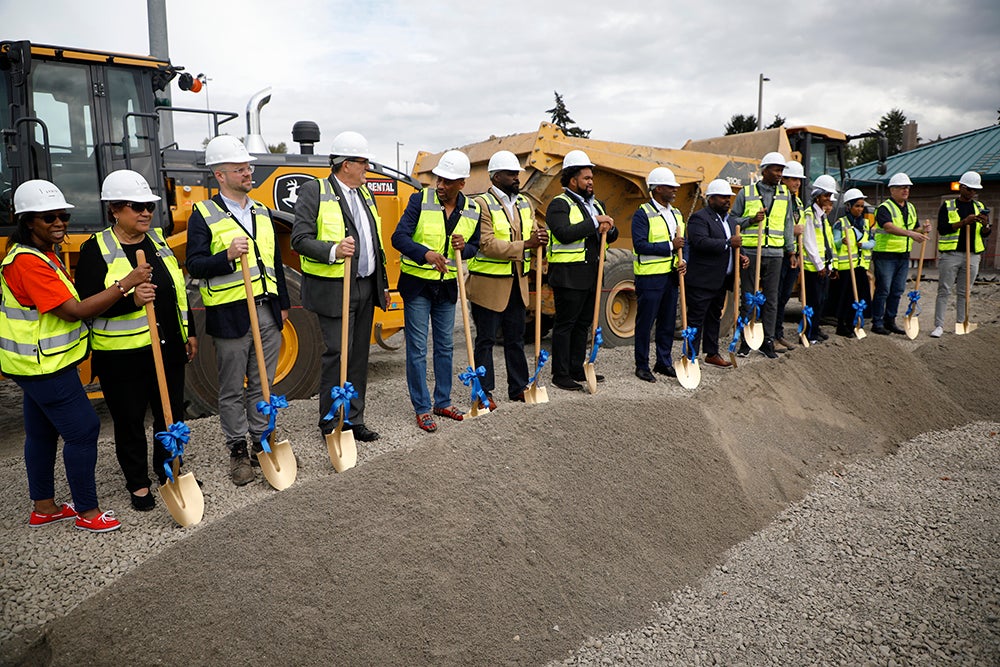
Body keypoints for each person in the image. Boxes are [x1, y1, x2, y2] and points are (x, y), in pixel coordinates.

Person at [0, 180, 153, 532]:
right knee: (84, 430)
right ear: (27, 222)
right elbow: (74, 311)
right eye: (48, 217)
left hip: (35, 363)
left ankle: (44, 507)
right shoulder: (28, 263)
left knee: (41, 433)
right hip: (44, 366)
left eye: (63, 216)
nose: (59, 223)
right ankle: (87, 511)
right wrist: (125, 283)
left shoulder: (41, 255)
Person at [76, 170, 196, 511]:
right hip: (122, 357)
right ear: (115, 209)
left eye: (150, 207)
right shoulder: (95, 250)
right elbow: (87, 308)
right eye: (137, 206)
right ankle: (138, 484)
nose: (146, 213)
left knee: (170, 416)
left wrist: (190, 334)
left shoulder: (157, 242)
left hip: (168, 346)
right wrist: (131, 298)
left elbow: (176, 293)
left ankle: (168, 471)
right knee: (129, 422)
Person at [186, 136, 290, 485]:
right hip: (230, 315)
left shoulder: (261, 211)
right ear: (220, 175)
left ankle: (263, 441)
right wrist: (227, 256)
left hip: (267, 310)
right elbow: (195, 265)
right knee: (231, 387)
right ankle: (237, 449)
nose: (248, 173)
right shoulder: (203, 214)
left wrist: (284, 305)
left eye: (248, 167)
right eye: (240, 169)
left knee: (263, 384)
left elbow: (274, 260)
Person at [291, 131, 388, 442]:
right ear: (346, 164)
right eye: (363, 163)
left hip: (365, 286)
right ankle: (332, 422)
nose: (367, 168)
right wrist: (334, 250)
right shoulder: (314, 191)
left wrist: (381, 283)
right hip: (335, 289)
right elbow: (300, 239)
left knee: (359, 356)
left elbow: (375, 243)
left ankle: (354, 418)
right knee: (337, 354)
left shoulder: (366, 195)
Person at [391, 150, 480, 432]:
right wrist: (426, 254)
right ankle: (422, 407)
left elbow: (475, 247)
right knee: (417, 349)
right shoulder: (420, 200)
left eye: (448, 181)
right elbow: (399, 237)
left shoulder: (472, 210)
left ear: (461, 184)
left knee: (445, 346)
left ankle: (442, 401)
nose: (441, 185)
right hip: (417, 284)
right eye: (439, 179)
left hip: (446, 287)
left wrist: (463, 247)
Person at [466, 150, 548, 406]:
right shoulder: (481, 204)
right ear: (495, 176)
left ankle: (518, 387)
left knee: (515, 339)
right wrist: (526, 244)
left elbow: (533, 231)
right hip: (488, 285)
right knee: (486, 340)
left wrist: (541, 239)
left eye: (517, 174)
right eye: (511, 174)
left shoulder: (525, 203)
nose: (517, 178)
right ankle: (484, 391)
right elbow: (487, 244)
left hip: (517, 284)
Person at [545, 150, 619, 391]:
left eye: (591, 178)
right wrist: (596, 222)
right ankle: (561, 374)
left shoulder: (597, 204)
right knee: (565, 325)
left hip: (592, 275)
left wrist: (611, 226)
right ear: (572, 179)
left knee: (582, 325)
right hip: (568, 276)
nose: (591, 182)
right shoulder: (559, 204)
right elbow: (564, 234)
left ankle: (578, 368)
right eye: (586, 178)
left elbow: (610, 237)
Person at [731, 152, 797, 359]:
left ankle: (768, 340)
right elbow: (732, 220)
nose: (780, 174)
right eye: (776, 170)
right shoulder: (746, 192)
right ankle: (745, 341)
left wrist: (791, 250)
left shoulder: (785, 194)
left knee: (772, 299)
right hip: (751, 252)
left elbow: (788, 224)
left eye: (781, 170)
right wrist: (751, 219)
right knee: (748, 297)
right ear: (765, 170)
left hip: (775, 253)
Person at [685, 179, 749, 367]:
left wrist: (742, 256)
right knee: (696, 318)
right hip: (703, 280)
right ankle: (691, 355)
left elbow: (735, 245)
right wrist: (729, 243)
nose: (726, 201)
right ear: (711, 199)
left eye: (728, 197)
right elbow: (700, 242)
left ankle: (711, 353)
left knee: (714, 317)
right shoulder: (699, 218)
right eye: (722, 197)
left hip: (722, 280)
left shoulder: (730, 220)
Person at [631, 167, 685, 382]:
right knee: (645, 323)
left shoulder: (677, 213)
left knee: (667, 323)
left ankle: (663, 362)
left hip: (671, 277)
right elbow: (640, 244)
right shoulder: (642, 213)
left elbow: (683, 243)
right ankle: (642, 366)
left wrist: (684, 260)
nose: (675, 190)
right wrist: (670, 247)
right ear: (658, 188)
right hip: (650, 277)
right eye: (670, 187)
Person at [931, 171, 991, 338]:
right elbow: (942, 229)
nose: (973, 193)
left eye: (975, 190)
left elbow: (985, 234)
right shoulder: (948, 205)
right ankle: (939, 326)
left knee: (965, 292)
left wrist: (986, 226)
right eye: (970, 189)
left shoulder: (979, 207)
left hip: (972, 255)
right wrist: (964, 222)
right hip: (951, 254)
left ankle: (961, 324)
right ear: (962, 187)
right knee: (944, 290)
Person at [870, 172, 930, 335]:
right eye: (902, 187)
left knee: (897, 290)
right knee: (883, 290)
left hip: (903, 255)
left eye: (907, 187)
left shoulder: (910, 208)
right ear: (892, 190)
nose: (906, 190)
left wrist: (922, 230)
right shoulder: (884, 208)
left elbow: (913, 227)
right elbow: (888, 227)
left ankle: (890, 321)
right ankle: (877, 322)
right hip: (885, 254)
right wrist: (911, 234)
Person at [799, 175, 838, 343]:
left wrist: (831, 265)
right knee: (813, 302)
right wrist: (819, 265)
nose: (828, 199)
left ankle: (814, 329)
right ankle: (809, 334)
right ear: (817, 195)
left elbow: (827, 243)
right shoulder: (810, 214)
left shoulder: (822, 216)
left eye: (830, 196)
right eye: (826, 195)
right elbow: (809, 242)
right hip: (813, 268)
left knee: (821, 301)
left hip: (823, 267)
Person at [831, 188, 875, 336]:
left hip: (860, 265)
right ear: (848, 207)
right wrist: (841, 241)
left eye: (862, 206)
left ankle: (853, 323)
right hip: (846, 267)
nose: (860, 209)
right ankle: (841, 326)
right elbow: (833, 243)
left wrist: (864, 245)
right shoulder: (840, 223)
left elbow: (872, 241)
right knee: (846, 297)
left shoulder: (866, 224)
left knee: (860, 296)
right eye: (857, 206)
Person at [773, 160, 806, 351]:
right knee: (775, 297)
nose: (797, 183)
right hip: (781, 253)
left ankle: (779, 333)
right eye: (794, 179)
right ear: (783, 179)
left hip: (793, 255)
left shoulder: (797, 201)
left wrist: (798, 253)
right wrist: (791, 232)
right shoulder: (778, 197)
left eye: (799, 180)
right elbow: (778, 225)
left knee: (784, 297)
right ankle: (772, 336)